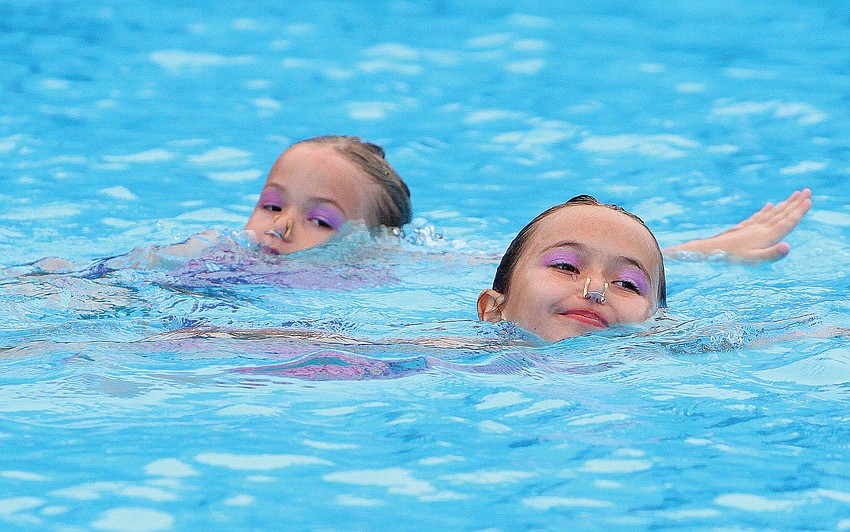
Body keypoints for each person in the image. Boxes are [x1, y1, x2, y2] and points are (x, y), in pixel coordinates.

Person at [477, 191, 812, 343]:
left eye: (627, 284)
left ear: (657, 325)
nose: (595, 290)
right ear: (492, 308)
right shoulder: (450, 357)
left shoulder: (661, 352)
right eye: (566, 266)